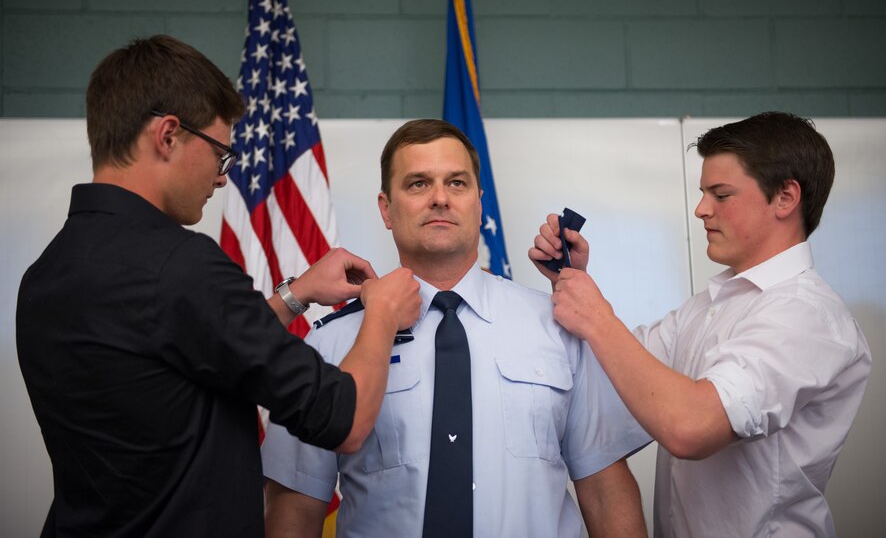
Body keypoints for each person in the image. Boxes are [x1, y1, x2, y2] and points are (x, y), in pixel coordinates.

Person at [16, 35, 421, 537]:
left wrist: (294, 296)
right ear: (167, 135)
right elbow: (347, 418)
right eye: (220, 154)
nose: (222, 178)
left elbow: (183, 353)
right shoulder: (179, 264)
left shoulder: (46, 275)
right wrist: (381, 312)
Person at [261, 119, 651, 537]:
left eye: (457, 183)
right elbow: (296, 506)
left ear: (479, 202)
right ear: (385, 208)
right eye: (417, 184)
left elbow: (606, 492)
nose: (440, 199)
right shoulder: (331, 341)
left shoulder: (559, 328)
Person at [530, 111, 872, 537]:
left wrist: (597, 318)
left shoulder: (807, 318)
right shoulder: (707, 308)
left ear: (786, 197)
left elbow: (691, 427)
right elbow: (611, 380)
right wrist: (572, 283)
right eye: (702, 193)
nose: (700, 209)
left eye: (721, 195)